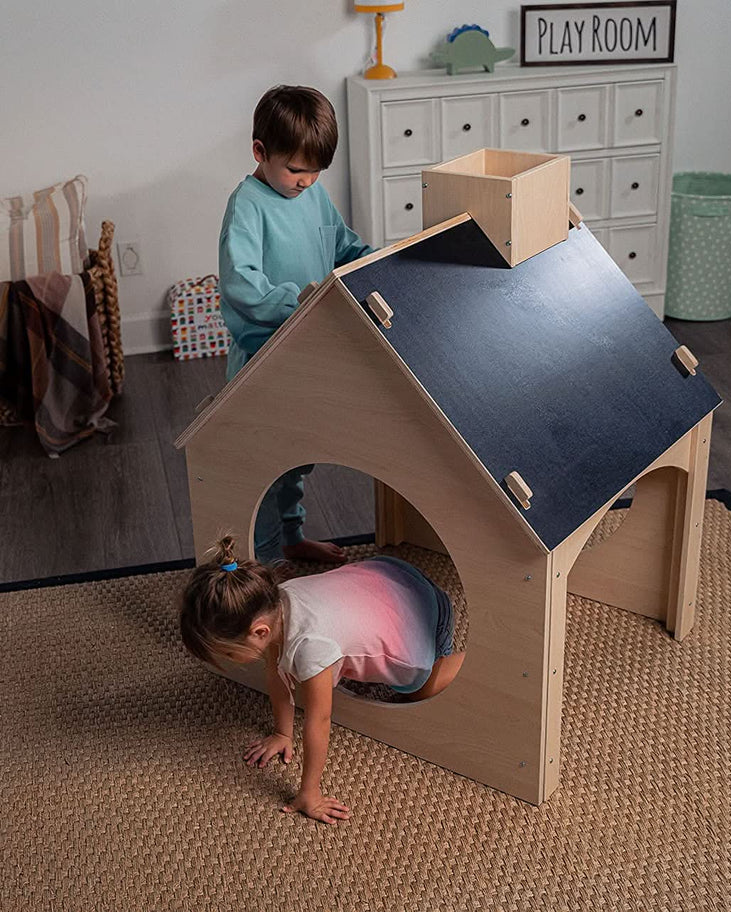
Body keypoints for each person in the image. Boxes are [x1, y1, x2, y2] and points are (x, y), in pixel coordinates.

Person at [180, 535, 465, 825]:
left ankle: (466, 662)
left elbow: (319, 719)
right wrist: (282, 733)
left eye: (229, 651)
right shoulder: (275, 600)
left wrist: (310, 793)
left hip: (428, 621)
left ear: (259, 632)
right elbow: (276, 670)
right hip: (394, 575)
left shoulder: (310, 647)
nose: (229, 658)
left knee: (421, 689)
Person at [218, 85, 375, 565]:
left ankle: (291, 537)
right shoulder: (247, 203)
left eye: (316, 171)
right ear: (260, 153)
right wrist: (300, 300)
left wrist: (373, 264)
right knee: (265, 463)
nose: (306, 181)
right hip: (265, 356)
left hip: (312, 347)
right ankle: (262, 561)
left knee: (296, 459)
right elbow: (241, 284)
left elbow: (342, 246)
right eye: (295, 169)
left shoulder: (314, 195)